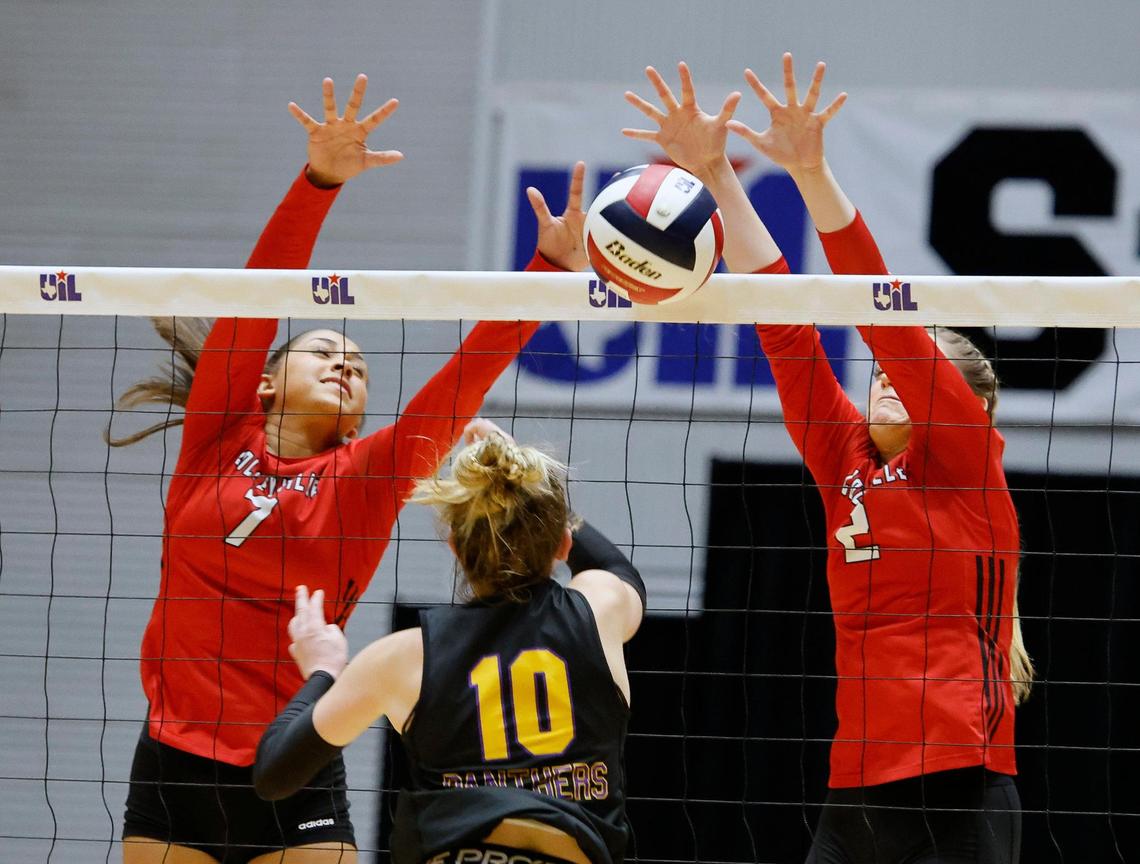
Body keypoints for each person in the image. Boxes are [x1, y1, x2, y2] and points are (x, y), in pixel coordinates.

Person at [114, 74, 593, 864]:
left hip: (294, 754)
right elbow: (256, 298)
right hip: (173, 761)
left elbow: (463, 378)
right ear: (265, 381)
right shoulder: (214, 440)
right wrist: (320, 181)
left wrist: (544, 274)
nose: (347, 365)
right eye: (326, 351)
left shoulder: (366, 479)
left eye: (361, 367)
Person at [622, 56, 1030, 862]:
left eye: (907, 369)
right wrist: (714, 175)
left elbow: (880, 311)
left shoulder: (965, 459)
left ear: (965, 403)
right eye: (875, 372)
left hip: (962, 783)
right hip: (856, 786)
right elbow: (781, 322)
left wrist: (811, 174)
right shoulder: (843, 456)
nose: (883, 375)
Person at [253, 426, 646, 864]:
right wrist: (537, 497)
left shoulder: (401, 657)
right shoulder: (599, 611)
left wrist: (323, 671)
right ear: (563, 543)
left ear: (456, 547)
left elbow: (274, 772)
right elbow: (617, 568)